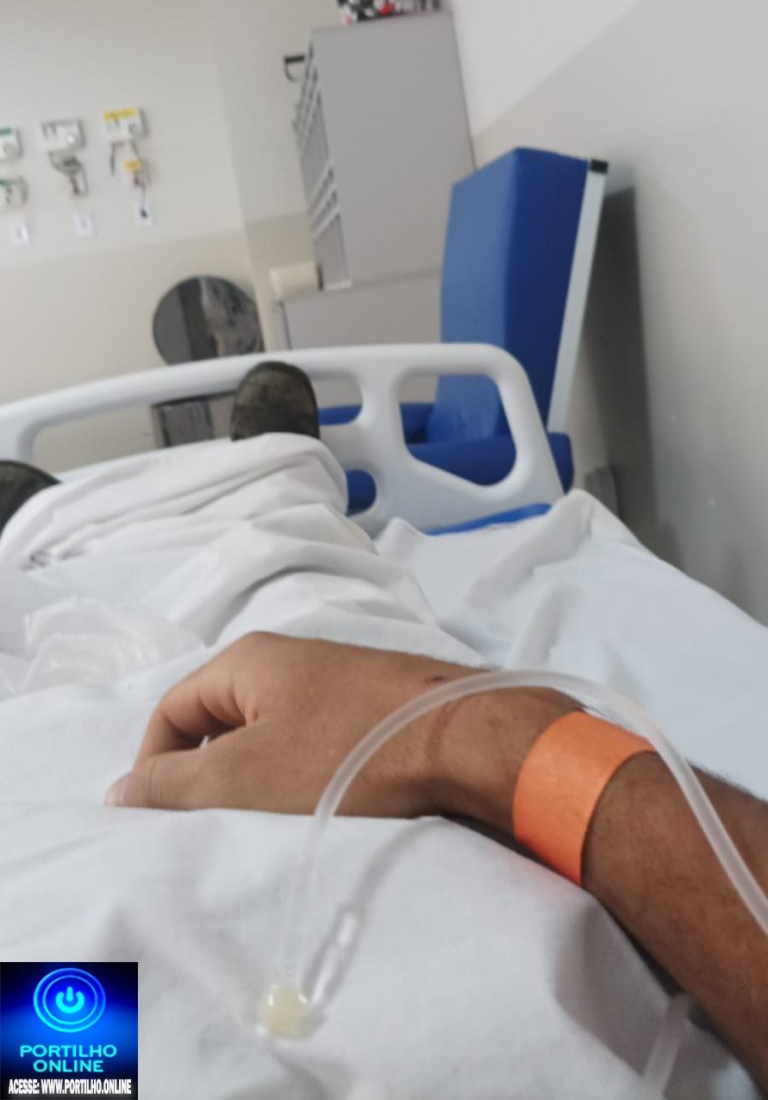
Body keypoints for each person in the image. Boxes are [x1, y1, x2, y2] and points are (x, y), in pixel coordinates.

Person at [3, 363, 767, 1089]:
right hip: (502, 904)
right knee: (303, 597)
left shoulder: (51, 1048)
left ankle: (70, 528)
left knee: (187, 653)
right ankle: (258, 490)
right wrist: (464, 726)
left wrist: (451, 724)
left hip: (68, 877)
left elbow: (60, 1053)